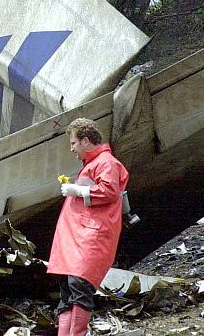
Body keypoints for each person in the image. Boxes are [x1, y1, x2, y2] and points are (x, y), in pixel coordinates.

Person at [47, 118, 130, 336]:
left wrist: (78, 191)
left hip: (89, 237)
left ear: (85, 140)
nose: (72, 149)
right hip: (76, 238)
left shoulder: (106, 162)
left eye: (73, 143)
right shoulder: (93, 164)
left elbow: (110, 191)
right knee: (67, 288)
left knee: (79, 285)